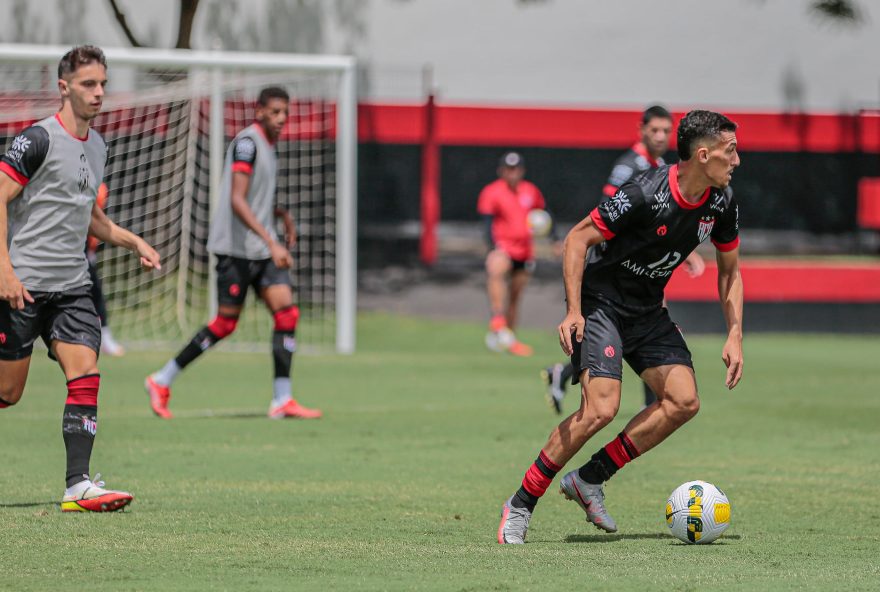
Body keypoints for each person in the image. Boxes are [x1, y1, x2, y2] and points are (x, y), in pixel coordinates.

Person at [498, 110, 744, 544]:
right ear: (703, 155)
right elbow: (577, 239)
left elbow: (729, 271)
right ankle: (520, 504)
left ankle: (589, 479)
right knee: (600, 409)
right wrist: (574, 311)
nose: (737, 160)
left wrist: (735, 332)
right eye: (730, 151)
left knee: (684, 401)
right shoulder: (644, 193)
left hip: (647, 311)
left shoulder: (722, 202)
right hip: (602, 305)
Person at [0, 45, 162, 512]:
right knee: (8, 393)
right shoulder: (37, 140)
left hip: (71, 287)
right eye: (89, 84)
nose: (99, 93)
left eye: (104, 84)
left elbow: (90, 216)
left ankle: (78, 485)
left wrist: (134, 242)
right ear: (64, 87)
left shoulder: (99, 145)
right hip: (22, 286)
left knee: (85, 374)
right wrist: (5, 271)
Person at [145, 86, 321, 420]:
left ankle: (282, 399)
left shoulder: (270, 147)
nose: (281, 118)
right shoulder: (247, 144)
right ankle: (161, 380)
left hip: (260, 250)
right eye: (275, 112)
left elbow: (255, 197)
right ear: (260, 112)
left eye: (285, 112)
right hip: (235, 250)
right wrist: (272, 242)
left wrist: (279, 214)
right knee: (225, 324)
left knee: (287, 314)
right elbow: (237, 200)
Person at [542, 105, 706, 413]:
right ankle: (652, 407)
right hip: (617, 265)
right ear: (641, 130)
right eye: (654, 130)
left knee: (636, 330)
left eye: (665, 131)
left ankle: (563, 374)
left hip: (642, 267)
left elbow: (662, 222)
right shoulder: (628, 167)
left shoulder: (659, 166)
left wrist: (687, 250)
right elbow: (609, 212)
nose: (660, 136)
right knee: (650, 325)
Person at [478, 152, 555, 356]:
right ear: (501, 171)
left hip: (525, 251)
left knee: (515, 296)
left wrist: (554, 239)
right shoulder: (492, 192)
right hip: (504, 248)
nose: (512, 173)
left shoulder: (531, 191)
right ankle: (496, 317)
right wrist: (493, 247)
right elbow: (487, 224)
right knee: (496, 268)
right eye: (508, 169)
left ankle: (509, 339)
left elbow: (545, 214)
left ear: (521, 171)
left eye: (516, 169)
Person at [87, 182, 126, 357]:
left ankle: (105, 338)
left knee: (96, 296)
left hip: (85, 252)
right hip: (72, 252)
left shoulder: (99, 188)